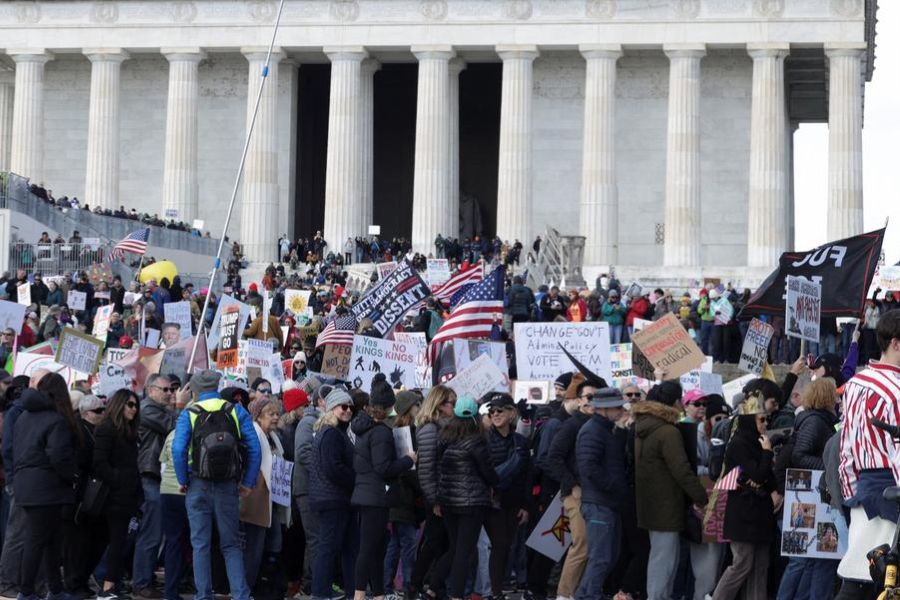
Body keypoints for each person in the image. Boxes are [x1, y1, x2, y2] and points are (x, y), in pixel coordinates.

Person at [172, 370, 262, 600]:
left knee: (200, 544)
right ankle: (241, 595)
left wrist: (183, 479)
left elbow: (178, 449)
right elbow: (254, 448)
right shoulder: (235, 411)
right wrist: (248, 481)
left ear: (195, 389)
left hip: (197, 483)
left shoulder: (189, 413)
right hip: (227, 485)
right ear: (217, 384)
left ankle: (203, 595)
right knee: (231, 544)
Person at [837, 309, 900, 598]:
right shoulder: (896, 390)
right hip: (891, 496)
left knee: (858, 580)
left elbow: (846, 446)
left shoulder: (855, 383)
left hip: (862, 492)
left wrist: (851, 495)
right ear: (896, 344)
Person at [632, 380, 708, 600]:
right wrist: (701, 497)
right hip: (666, 506)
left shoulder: (644, 427)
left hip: (651, 504)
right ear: (675, 402)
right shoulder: (667, 432)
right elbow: (682, 470)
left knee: (661, 559)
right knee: (664, 563)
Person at [11, 373, 79, 600]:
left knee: (48, 540)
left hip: (27, 485)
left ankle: (54, 589)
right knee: (39, 541)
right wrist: (73, 476)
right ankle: (27, 592)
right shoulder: (56, 419)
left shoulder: (24, 416)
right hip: (47, 488)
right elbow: (58, 456)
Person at [424, 396, 498, 600]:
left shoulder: (444, 437)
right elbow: (488, 472)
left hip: (448, 501)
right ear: (475, 415)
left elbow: (437, 469)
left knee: (456, 549)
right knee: (464, 552)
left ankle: (432, 588)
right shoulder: (478, 440)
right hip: (472, 503)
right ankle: (456, 595)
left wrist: (437, 498)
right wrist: (497, 482)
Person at [350, 375, 416, 600]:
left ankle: (377, 594)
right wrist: (408, 459)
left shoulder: (365, 429)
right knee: (369, 549)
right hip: (375, 496)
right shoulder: (380, 432)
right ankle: (359, 596)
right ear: (389, 407)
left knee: (375, 549)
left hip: (369, 495)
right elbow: (383, 468)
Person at [776, 378, 839, 600]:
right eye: (834, 394)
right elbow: (800, 455)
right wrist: (829, 467)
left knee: (814, 558)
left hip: (815, 498)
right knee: (808, 559)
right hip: (811, 499)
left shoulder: (819, 419)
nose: (838, 398)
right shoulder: (815, 422)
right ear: (826, 397)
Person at [711, 394, 776, 600]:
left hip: (759, 515)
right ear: (750, 420)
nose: (766, 424)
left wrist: (761, 471)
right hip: (743, 515)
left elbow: (768, 479)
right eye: (761, 419)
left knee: (760, 567)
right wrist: (766, 454)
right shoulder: (740, 443)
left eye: (766, 419)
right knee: (742, 564)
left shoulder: (758, 442)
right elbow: (758, 474)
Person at [545, 377, 598, 600]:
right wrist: (572, 484)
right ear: (578, 401)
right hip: (576, 494)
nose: (592, 402)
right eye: (589, 397)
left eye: (597, 398)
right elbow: (552, 457)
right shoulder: (572, 425)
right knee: (582, 544)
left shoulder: (598, 424)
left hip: (594, 494)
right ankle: (564, 594)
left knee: (591, 546)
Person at [573, 388, 628, 600]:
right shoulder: (592, 430)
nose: (622, 410)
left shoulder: (606, 429)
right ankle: (589, 596)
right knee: (601, 558)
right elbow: (589, 467)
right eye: (617, 407)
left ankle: (584, 595)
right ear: (604, 409)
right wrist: (614, 485)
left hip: (606, 502)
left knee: (608, 557)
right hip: (599, 503)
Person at [133, 374, 179, 599]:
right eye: (166, 390)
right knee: (151, 531)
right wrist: (179, 404)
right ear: (151, 390)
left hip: (160, 477)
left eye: (172, 390)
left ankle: (145, 578)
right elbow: (174, 426)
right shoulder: (147, 410)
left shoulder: (159, 409)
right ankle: (141, 582)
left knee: (156, 531)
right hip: (149, 475)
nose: (170, 393)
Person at [93, 389, 143, 600]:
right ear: (119, 405)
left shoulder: (129, 432)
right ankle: (107, 587)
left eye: (135, 405)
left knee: (119, 541)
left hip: (126, 496)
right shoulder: (107, 429)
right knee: (115, 541)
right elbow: (99, 463)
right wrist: (119, 480)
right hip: (113, 496)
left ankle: (110, 583)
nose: (134, 409)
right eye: (130, 405)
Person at [309, 387, 357, 600]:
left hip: (334, 498)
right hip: (333, 498)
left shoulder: (334, 432)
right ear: (331, 409)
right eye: (343, 407)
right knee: (329, 548)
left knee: (347, 547)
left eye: (350, 407)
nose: (348, 411)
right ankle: (320, 593)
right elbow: (334, 468)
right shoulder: (331, 434)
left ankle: (352, 591)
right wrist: (357, 479)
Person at [410, 386, 456, 596]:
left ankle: (422, 585)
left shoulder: (443, 426)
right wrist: (435, 500)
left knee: (436, 543)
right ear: (438, 404)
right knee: (437, 544)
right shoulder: (430, 428)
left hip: (443, 494)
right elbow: (426, 469)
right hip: (436, 496)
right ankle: (424, 586)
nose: (453, 407)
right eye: (450, 403)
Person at [483, 393, 529, 600]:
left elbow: (527, 476)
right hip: (492, 502)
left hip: (513, 502)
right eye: (492, 411)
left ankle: (498, 588)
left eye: (500, 410)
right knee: (500, 545)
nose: (495, 414)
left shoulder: (520, 440)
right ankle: (496, 592)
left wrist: (525, 506)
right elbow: (485, 472)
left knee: (507, 546)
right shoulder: (484, 438)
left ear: (511, 413)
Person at [241, 397, 290, 591]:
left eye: (278, 413)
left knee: (273, 544)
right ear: (259, 417)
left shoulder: (274, 436)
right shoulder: (254, 432)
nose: (276, 417)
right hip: (256, 496)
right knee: (254, 546)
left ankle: (261, 585)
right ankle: (246, 588)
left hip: (273, 498)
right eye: (271, 414)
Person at [293, 384, 330, 594]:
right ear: (320, 401)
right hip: (307, 488)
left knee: (318, 537)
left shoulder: (321, 423)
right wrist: (326, 471)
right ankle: (314, 586)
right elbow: (303, 454)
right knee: (316, 537)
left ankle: (313, 583)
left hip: (315, 488)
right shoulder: (308, 423)